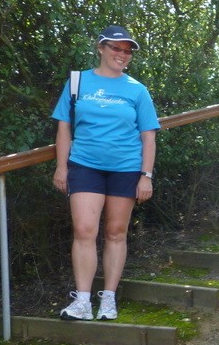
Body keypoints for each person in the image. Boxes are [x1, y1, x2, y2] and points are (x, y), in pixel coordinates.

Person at [52, 25, 160, 322]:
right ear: (101, 48)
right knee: (84, 230)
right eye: (116, 48)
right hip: (85, 165)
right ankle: (82, 301)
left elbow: (149, 136)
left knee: (115, 232)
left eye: (127, 51)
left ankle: (109, 299)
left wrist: (146, 175)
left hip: (126, 168)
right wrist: (61, 166)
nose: (122, 55)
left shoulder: (137, 90)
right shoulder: (78, 82)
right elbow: (64, 127)